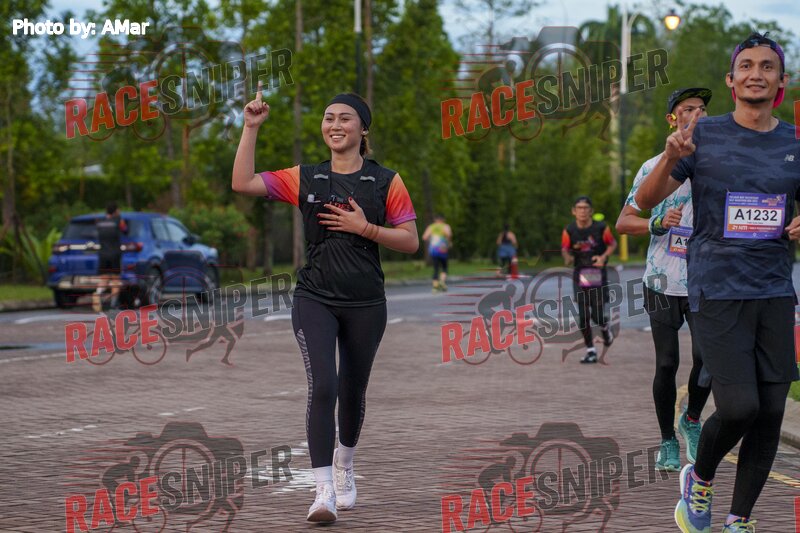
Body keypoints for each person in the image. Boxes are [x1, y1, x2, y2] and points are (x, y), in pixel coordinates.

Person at [635, 32, 800, 533]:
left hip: (774, 289)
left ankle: (739, 519)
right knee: (740, 406)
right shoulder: (702, 135)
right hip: (716, 289)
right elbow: (644, 202)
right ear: (731, 80)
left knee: (770, 411)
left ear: (781, 80)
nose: (756, 74)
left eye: (766, 66)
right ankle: (700, 478)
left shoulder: (794, 141)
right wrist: (670, 157)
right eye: (746, 66)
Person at [231, 86, 418, 524]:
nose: (335, 125)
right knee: (324, 387)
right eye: (329, 117)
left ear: (363, 129)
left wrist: (365, 227)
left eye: (344, 118)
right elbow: (242, 183)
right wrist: (250, 127)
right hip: (314, 297)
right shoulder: (307, 177)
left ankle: (345, 465)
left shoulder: (386, 180)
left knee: (353, 390)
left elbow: (410, 241)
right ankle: (323, 492)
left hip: (366, 302)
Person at [616, 88, 713, 474]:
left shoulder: (717, 164)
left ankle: (691, 419)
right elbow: (624, 221)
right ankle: (667, 440)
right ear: (672, 119)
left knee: (707, 360)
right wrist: (656, 222)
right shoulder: (652, 168)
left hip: (704, 280)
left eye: (703, 109)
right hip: (660, 280)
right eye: (688, 109)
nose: (697, 115)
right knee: (667, 363)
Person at [561, 196, 616, 363]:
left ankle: (605, 329)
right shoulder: (569, 230)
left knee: (597, 316)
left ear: (591, 211)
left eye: (585, 208)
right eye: (579, 208)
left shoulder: (601, 227)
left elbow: (612, 244)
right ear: (574, 211)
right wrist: (567, 257)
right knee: (583, 316)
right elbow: (565, 248)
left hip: (597, 274)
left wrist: (603, 257)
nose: (582, 211)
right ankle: (590, 350)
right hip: (580, 274)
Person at [93, 203, 128, 312]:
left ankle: (97, 293)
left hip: (103, 254)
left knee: (104, 278)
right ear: (116, 211)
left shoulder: (100, 222)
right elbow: (125, 230)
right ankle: (113, 305)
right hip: (115, 254)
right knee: (115, 280)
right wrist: (119, 218)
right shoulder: (118, 221)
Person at [422, 214, 452, 292]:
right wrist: (448, 242)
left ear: (435, 219)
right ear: (443, 220)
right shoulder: (445, 226)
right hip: (442, 249)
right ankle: (442, 282)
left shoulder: (431, 227)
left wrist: (431, 240)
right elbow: (449, 235)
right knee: (444, 266)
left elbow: (424, 237)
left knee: (436, 268)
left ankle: (435, 287)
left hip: (433, 249)